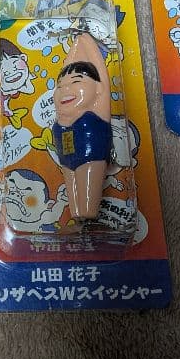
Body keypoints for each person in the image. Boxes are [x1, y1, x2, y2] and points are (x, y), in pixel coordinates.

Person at [52, 32, 113, 221]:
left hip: (91, 158)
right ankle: (79, 216)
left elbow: (100, 74)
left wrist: (84, 39)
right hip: (67, 159)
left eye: (76, 81)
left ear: (98, 88)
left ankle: (87, 214)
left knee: (87, 207)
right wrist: (76, 45)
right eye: (60, 86)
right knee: (76, 209)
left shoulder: (98, 108)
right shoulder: (62, 118)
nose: (65, 89)